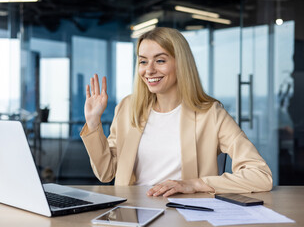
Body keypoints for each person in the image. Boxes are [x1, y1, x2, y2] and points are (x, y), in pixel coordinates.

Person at [80, 27, 272, 197]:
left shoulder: (211, 114)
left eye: (160, 60)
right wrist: (93, 122)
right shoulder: (128, 107)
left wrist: (195, 184)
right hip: (131, 212)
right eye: (143, 62)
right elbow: (106, 173)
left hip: (185, 214)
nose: (149, 70)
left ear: (181, 63)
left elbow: (261, 176)